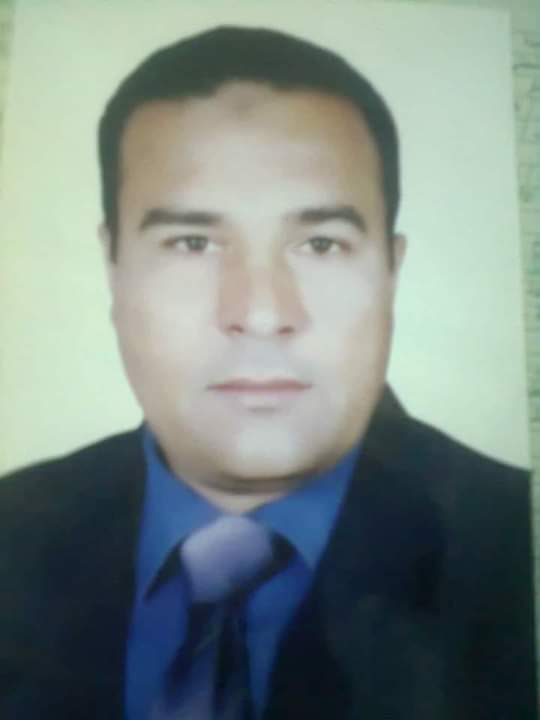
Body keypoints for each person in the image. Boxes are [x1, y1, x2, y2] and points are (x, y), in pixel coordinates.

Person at [0, 25, 536, 720]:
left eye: (321, 244)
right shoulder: (11, 533)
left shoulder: (514, 548)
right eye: (192, 242)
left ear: (391, 271)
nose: (259, 313)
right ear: (114, 268)